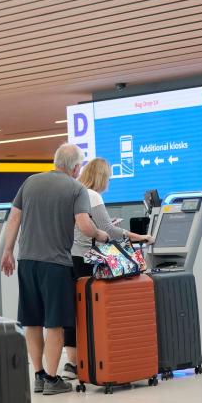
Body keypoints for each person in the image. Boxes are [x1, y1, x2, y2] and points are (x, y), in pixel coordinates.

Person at [0, 145, 108, 396]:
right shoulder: (76, 188)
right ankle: (51, 378)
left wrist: (7, 252)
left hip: (26, 261)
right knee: (55, 323)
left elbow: (14, 219)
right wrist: (101, 234)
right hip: (56, 263)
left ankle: (38, 375)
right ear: (75, 167)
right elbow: (84, 224)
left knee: (32, 321)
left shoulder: (30, 182)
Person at [62, 158, 154, 377]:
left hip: (71, 257)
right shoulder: (92, 195)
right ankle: (87, 359)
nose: (109, 183)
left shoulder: (75, 192)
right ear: (101, 177)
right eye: (109, 178)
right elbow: (106, 231)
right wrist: (141, 237)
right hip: (88, 259)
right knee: (88, 310)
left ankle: (72, 363)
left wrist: (106, 226)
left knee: (74, 309)